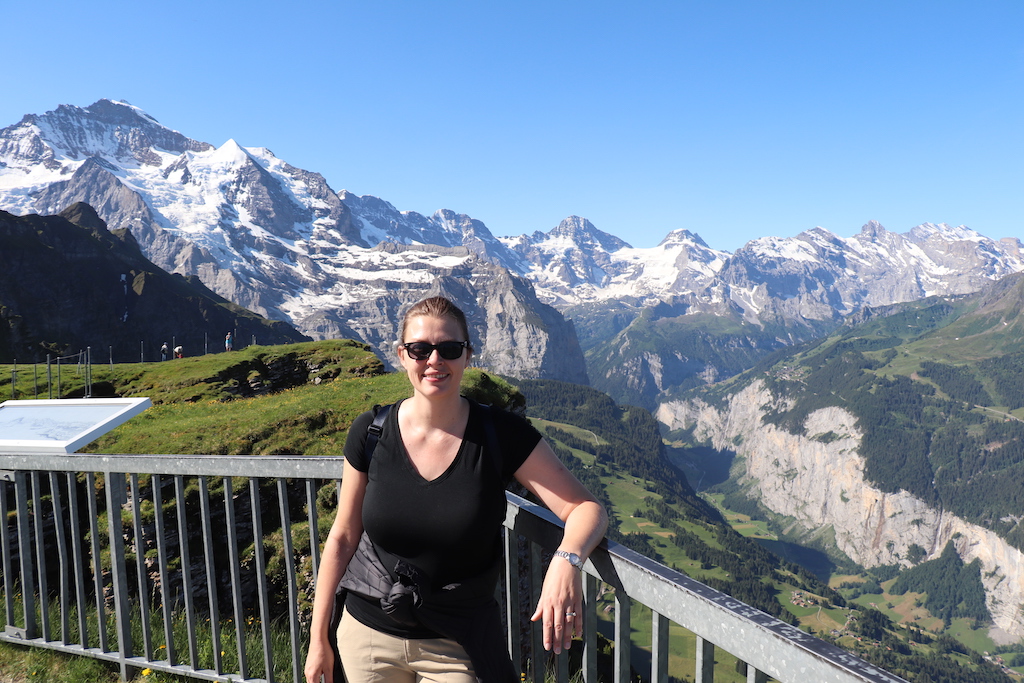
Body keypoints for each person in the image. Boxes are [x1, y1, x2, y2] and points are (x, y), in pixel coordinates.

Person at [304, 296, 607, 683]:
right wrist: (318, 639)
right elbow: (343, 537)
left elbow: (585, 508)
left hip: (457, 644)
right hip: (366, 634)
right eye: (419, 349)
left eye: (449, 348)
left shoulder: (501, 434)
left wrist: (567, 560)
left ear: (468, 355)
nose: (434, 360)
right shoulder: (371, 431)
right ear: (402, 355)